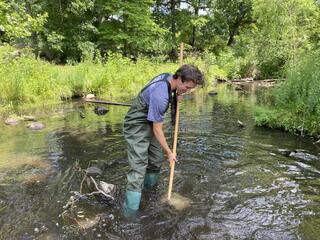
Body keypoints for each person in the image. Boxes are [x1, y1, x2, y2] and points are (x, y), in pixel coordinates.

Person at [123, 64, 204, 216]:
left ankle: (148, 193)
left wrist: (177, 94)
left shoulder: (170, 78)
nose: (188, 91)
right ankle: (129, 213)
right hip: (136, 124)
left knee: (155, 160)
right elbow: (157, 129)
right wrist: (169, 153)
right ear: (179, 78)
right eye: (186, 87)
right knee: (139, 166)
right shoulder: (161, 95)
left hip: (150, 121)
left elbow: (156, 125)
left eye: (190, 89)